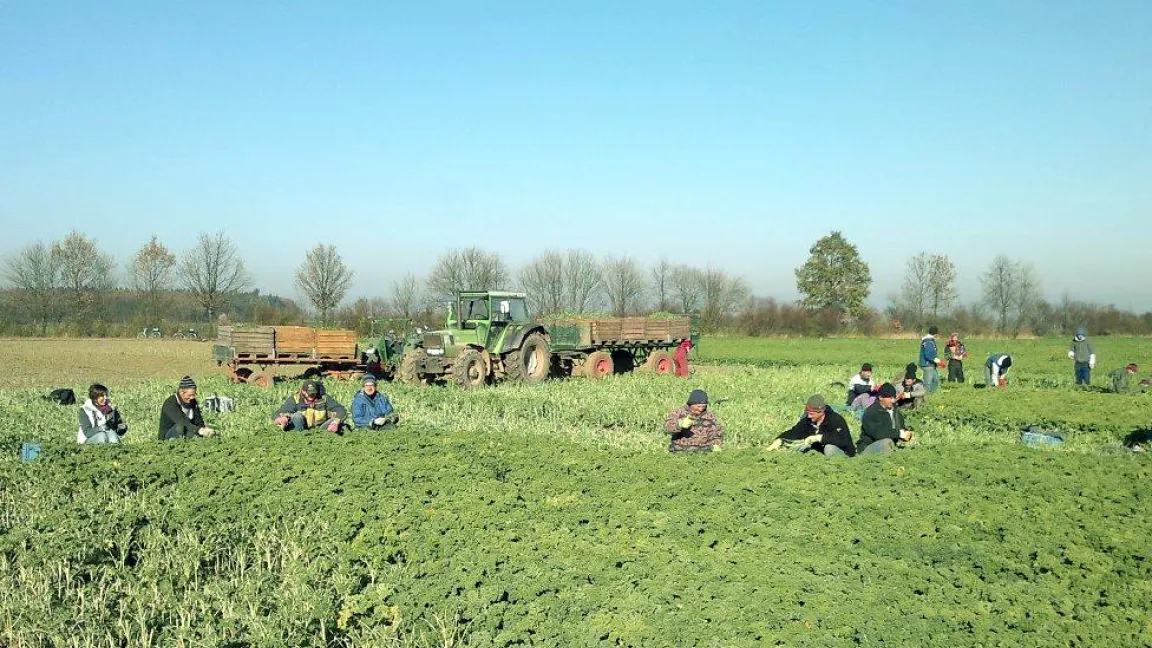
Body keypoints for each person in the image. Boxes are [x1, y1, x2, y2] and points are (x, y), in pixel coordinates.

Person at [768, 394, 856, 457]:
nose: (809, 416)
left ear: (821, 412)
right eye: (808, 413)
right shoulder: (808, 420)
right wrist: (780, 440)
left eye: (811, 414)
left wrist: (818, 438)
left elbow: (844, 441)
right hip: (821, 454)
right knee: (802, 448)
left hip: (843, 454)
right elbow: (795, 432)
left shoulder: (836, 420)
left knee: (829, 448)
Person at [857, 383, 913, 456]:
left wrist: (906, 434)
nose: (893, 401)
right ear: (880, 397)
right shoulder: (871, 412)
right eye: (890, 398)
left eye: (894, 397)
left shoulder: (895, 411)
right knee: (886, 442)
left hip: (890, 446)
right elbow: (878, 433)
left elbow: (900, 429)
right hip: (868, 448)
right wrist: (900, 434)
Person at [274, 379, 347, 433]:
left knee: (335, 421)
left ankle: (325, 439)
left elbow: (341, 410)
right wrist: (282, 418)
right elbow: (278, 413)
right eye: (309, 393)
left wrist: (335, 422)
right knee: (297, 416)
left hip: (320, 429)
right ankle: (298, 437)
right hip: (300, 428)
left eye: (313, 393)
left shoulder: (324, 398)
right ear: (303, 391)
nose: (311, 396)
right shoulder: (295, 399)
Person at [158, 375, 214, 440]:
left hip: (185, 431)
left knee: (196, 437)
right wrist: (199, 430)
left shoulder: (193, 402)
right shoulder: (170, 403)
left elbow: (198, 420)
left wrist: (204, 430)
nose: (192, 397)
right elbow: (182, 421)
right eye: (190, 395)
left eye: (194, 394)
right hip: (168, 437)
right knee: (180, 426)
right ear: (181, 392)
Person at [918, 326, 944, 393]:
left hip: (931, 364)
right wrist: (939, 361)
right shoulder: (928, 341)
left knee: (936, 380)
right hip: (927, 365)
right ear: (935, 334)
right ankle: (924, 397)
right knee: (928, 383)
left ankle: (931, 394)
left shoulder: (929, 340)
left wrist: (937, 362)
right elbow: (928, 355)